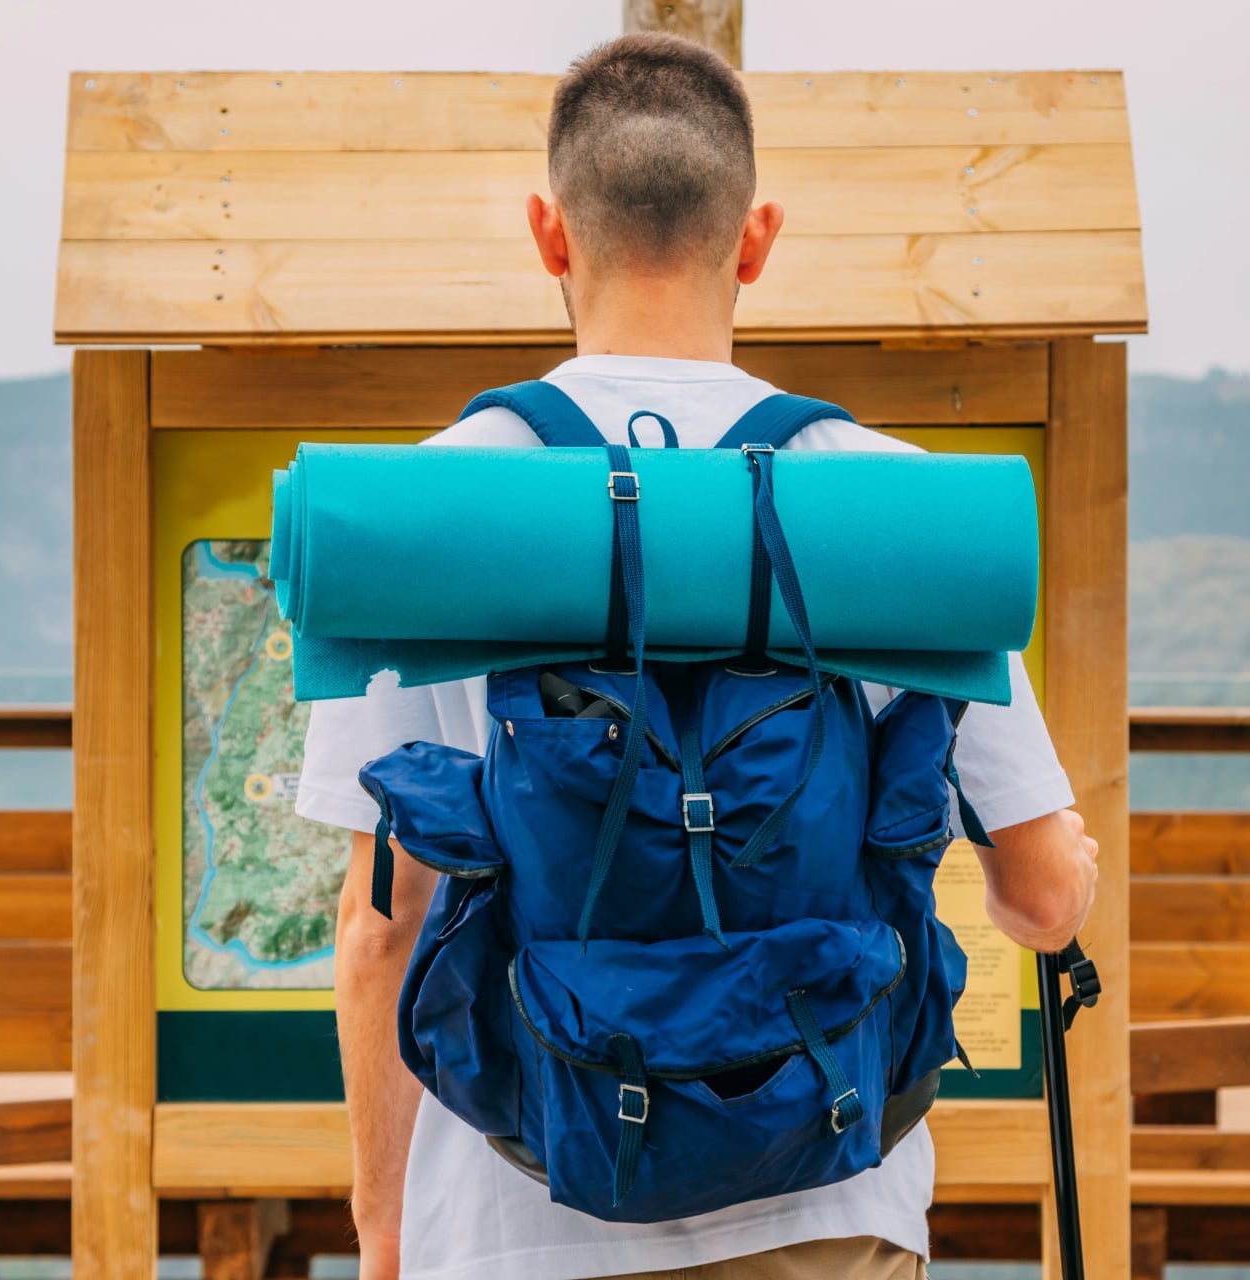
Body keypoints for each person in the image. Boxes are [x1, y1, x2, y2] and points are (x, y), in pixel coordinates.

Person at [294, 32, 1100, 1280]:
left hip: (518, 1219)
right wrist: (1059, 882)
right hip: (831, 1207)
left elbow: (380, 928)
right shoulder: (890, 505)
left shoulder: (430, 514)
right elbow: (1042, 898)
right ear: (757, 236)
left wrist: (382, 1218)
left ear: (550, 233)